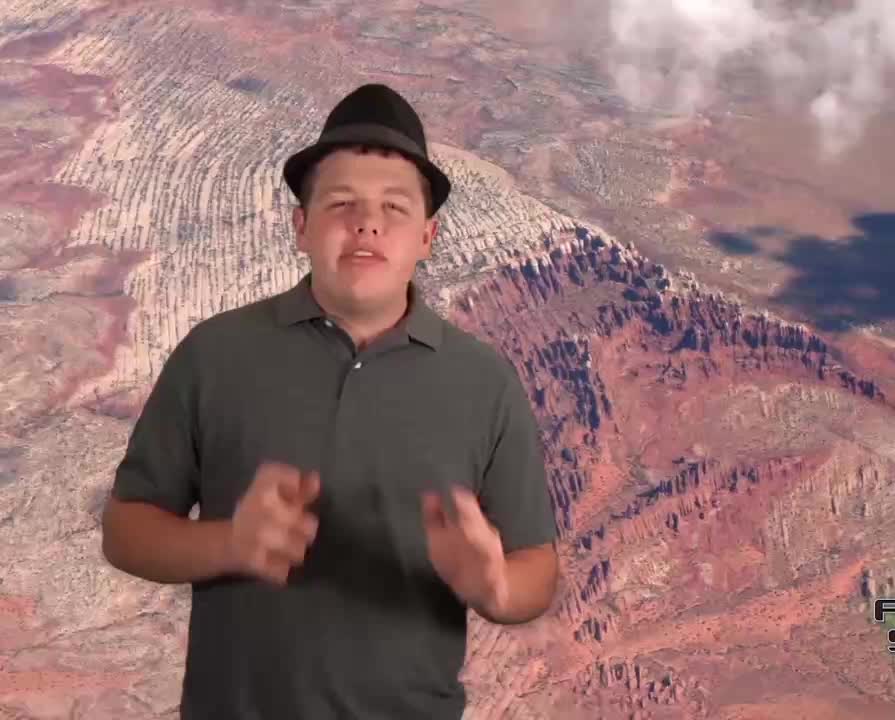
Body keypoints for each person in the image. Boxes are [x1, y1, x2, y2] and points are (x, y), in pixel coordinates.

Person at [100, 83, 560, 719]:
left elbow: (537, 568)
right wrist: (230, 543)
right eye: (342, 203)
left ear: (427, 237)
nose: (367, 223)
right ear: (302, 227)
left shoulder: (486, 384)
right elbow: (125, 532)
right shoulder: (214, 354)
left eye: (394, 207)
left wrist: (497, 587)